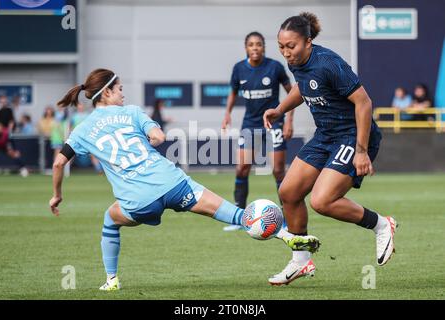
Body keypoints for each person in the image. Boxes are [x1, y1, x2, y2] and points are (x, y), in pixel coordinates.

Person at [49, 68, 318, 291]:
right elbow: (159, 138)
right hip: (173, 183)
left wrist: (57, 194)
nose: (122, 93)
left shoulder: (83, 129)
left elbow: (59, 162)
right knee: (235, 214)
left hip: (138, 200)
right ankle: (287, 236)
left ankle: (111, 280)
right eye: (119, 88)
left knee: (110, 219)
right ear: (106, 92)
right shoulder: (131, 112)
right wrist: (143, 144)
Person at [263, 13, 397, 286]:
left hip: (353, 136)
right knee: (288, 192)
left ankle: (382, 224)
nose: (286, 53)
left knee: (322, 202)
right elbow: (303, 88)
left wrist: (361, 151)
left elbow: (364, 103)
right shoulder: (297, 63)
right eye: (281, 47)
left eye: (291, 46)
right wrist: (280, 109)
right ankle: (301, 262)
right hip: (325, 135)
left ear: (308, 42)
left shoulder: (329, 63)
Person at [221, 31, 293, 231]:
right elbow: (233, 93)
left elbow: (292, 93)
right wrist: (227, 114)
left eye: (259, 44)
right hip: (250, 124)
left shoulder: (275, 67)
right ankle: (239, 217)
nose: (255, 48)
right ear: (246, 48)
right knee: (242, 168)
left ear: (264, 47)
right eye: (251, 44)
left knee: (278, 171)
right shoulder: (238, 69)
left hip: (273, 124)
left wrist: (289, 121)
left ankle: (286, 219)